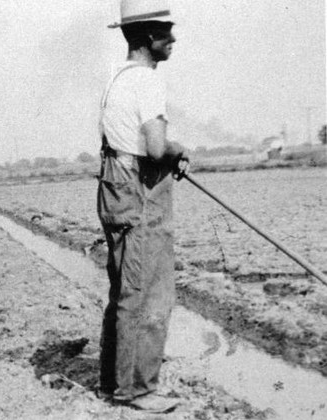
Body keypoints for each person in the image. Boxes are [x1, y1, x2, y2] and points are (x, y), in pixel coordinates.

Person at [97, 0, 189, 413]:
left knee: (124, 288)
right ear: (149, 38)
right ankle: (136, 390)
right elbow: (154, 146)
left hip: (115, 183)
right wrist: (178, 150)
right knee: (147, 291)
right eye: (167, 33)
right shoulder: (148, 81)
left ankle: (113, 382)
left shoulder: (115, 77)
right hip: (139, 186)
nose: (173, 40)